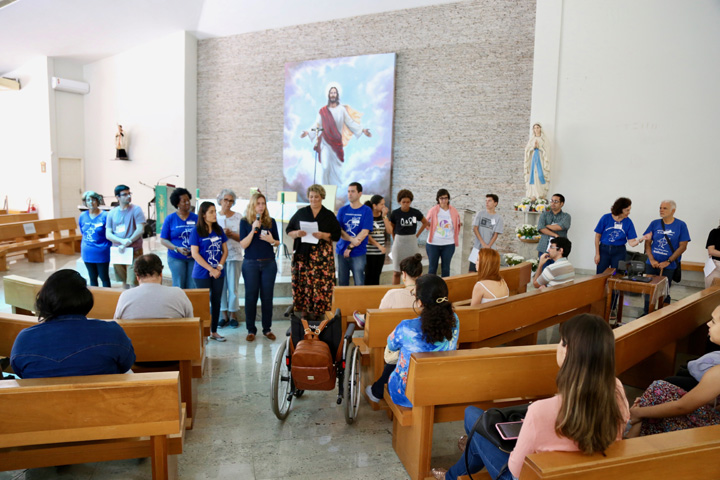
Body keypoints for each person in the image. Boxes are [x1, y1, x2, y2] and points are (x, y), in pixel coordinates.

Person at [432, 313, 629, 480]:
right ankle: (459, 466)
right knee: (478, 436)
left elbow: (516, 470)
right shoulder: (617, 391)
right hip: (592, 473)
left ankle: (456, 469)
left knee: (473, 418)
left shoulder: (542, 411)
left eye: (561, 341)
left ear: (568, 351)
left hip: (528, 476)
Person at [10, 270, 135, 379]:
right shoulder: (112, 332)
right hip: (102, 398)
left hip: (42, 399)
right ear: (85, 299)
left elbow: (20, 371)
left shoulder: (25, 339)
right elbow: (126, 364)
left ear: (43, 300)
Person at [365, 274, 459, 407]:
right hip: (440, 386)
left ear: (420, 302)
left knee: (398, 358)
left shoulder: (406, 327)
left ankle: (377, 391)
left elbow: (391, 346)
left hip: (406, 394)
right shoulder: (454, 320)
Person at [628, 305, 720, 438]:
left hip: (712, 431)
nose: (708, 324)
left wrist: (639, 412)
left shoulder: (717, 372)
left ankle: (633, 434)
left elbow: (682, 407)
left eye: (714, 321)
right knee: (659, 393)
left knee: (659, 389)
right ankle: (636, 424)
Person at [286, 184, 342, 320]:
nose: (313, 199)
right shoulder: (301, 213)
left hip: (322, 256)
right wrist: (297, 233)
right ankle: (304, 312)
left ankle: (319, 311)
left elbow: (337, 235)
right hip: (303, 254)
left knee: (320, 283)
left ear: (322, 197)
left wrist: (324, 235)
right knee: (304, 282)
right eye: (311, 197)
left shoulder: (328, 215)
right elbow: (289, 230)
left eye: (316, 197)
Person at [300, 85, 372, 186]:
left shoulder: (341, 110)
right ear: (328, 95)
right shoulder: (323, 111)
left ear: (337, 95)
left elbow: (350, 122)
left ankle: (334, 191)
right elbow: (317, 124)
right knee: (325, 167)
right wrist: (308, 132)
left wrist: (363, 130)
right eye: (331, 93)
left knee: (336, 172)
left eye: (334, 93)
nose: (333, 95)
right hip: (325, 142)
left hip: (337, 143)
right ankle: (324, 190)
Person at [239, 192, 280, 341]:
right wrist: (253, 230)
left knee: (267, 297)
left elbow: (277, 242)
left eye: (263, 204)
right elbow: (243, 244)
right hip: (251, 264)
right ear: (252, 205)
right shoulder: (244, 222)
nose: (261, 207)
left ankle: (267, 329)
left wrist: (271, 240)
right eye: (258, 204)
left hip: (269, 263)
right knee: (251, 297)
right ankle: (251, 330)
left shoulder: (271, 221)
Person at [643, 200, 691, 312]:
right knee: (648, 290)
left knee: (664, 291)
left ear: (673, 211)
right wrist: (651, 259)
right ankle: (646, 313)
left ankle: (663, 314)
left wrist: (668, 261)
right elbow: (647, 243)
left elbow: (683, 246)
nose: (661, 210)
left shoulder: (681, 225)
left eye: (665, 208)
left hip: (669, 265)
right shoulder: (654, 223)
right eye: (660, 208)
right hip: (652, 263)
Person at [190, 201, 228, 342]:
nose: (214, 214)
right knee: (203, 304)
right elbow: (195, 254)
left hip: (218, 272)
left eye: (215, 211)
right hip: (202, 273)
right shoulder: (196, 231)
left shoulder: (219, 230)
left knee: (216, 301)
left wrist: (219, 267)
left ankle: (214, 331)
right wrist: (211, 269)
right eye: (211, 212)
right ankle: (203, 332)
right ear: (203, 214)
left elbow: (225, 251)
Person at [354, 253, 424, 328]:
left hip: (393, 332)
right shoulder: (428, 293)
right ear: (421, 275)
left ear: (404, 274)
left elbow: (379, 318)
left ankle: (363, 317)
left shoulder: (392, 294)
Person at [113, 254, 193, 320]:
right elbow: (190, 321)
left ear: (137, 277)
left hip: (136, 335)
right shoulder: (178, 294)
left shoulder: (125, 296)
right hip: (172, 335)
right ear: (161, 274)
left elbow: (117, 322)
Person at [105, 184, 146, 289]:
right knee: (123, 281)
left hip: (133, 250)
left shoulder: (136, 209)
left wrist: (129, 241)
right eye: (125, 194)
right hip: (119, 250)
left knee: (133, 282)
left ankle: (135, 299)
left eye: (129, 193)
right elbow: (108, 234)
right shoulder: (112, 213)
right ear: (117, 197)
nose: (128, 196)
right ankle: (126, 298)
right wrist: (121, 241)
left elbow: (140, 229)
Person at [336, 182, 373, 286]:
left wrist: (350, 247)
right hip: (341, 251)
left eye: (353, 191)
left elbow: (365, 232)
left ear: (360, 193)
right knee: (342, 282)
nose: (350, 194)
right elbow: (339, 230)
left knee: (359, 282)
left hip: (358, 252)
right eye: (348, 191)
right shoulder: (342, 210)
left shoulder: (366, 210)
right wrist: (352, 240)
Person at [388, 189, 429, 285]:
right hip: (399, 242)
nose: (406, 204)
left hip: (411, 242)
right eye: (403, 202)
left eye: (408, 202)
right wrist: (394, 238)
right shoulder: (395, 213)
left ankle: (414, 288)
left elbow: (425, 222)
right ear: (399, 202)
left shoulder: (415, 212)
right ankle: (395, 290)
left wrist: (417, 235)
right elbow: (391, 228)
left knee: (414, 269)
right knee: (396, 271)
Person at [160, 187, 197, 289]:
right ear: (177, 204)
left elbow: (202, 237)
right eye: (184, 201)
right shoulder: (170, 219)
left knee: (192, 285)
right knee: (178, 285)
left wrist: (195, 251)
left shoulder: (196, 218)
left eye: (188, 200)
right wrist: (177, 248)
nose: (187, 203)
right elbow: (163, 240)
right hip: (176, 257)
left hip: (193, 258)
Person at [217, 189, 243, 328]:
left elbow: (244, 238)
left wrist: (231, 234)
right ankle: (224, 315)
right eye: (225, 200)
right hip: (218, 257)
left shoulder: (238, 217)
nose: (228, 203)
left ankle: (233, 314)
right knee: (221, 287)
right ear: (220, 200)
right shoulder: (214, 216)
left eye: (231, 200)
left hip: (234, 255)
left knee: (233, 287)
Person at [426, 189, 462, 277]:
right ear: (438, 199)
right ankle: (431, 285)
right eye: (441, 198)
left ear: (448, 199)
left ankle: (444, 285)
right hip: (433, 243)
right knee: (432, 268)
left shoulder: (453, 210)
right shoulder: (433, 210)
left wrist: (458, 224)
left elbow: (457, 223)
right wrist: (432, 228)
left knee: (446, 268)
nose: (444, 200)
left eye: (446, 198)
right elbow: (426, 224)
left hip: (449, 243)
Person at [78, 190, 111, 287]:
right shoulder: (82, 215)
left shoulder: (105, 215)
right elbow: (82, 231)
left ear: (97, 201)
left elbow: (109, 233)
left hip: (102, 252)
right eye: (88, 200)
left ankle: (107, 295)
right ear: (85, 202)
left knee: (104, 277)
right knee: (92, 277)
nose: (91, 202)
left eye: (93, 200)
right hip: (87, 252)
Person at [470, 194, 504, 272]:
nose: (487, 202)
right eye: (486, 201)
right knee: (472, 271)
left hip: (490, 248)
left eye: (489, 201)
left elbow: (495, 234)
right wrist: (483, 244)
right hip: (477, 247)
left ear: (495, 203)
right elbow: (475, 229)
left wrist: (488, 246)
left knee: (488, 271)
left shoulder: (498, 218)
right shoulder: (480, 213)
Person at [536, 193, 571, 263]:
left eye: (556, 201)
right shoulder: (544, 214)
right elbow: (540, 228)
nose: (553, 203)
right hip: (544, 248)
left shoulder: (566, 216)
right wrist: (555, 235)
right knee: (544, 269)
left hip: (559, 251)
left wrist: (546, 226)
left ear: (562, 204)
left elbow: (559, 227)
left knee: (559, 269)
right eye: (551, 201)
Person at [364, 195, 390, 286]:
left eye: (384, 204)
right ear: (374, 206)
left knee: (377, 276)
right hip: (369, 252)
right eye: (382, 204)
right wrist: (378, 246)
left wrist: (385, 216)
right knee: (368, 276)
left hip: (380, 253)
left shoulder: (383, 217)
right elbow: (366, 235)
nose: (384, 206)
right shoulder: (368, 216)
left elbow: (389, 231)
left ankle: (375, 293)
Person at [524, 123, 550, 200]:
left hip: (541, 159)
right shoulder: (531, 140)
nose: (536, 129)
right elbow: (527, 150)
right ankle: (533, 194)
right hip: (533, 160)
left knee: (540, 175)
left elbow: (547, 150)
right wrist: (533, 147)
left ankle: (541, 193)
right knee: (533, 175)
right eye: (534, 128)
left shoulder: (544, 140)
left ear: (540, 128)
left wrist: (540, 148)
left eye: (537, 127)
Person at [706, 223, 720, 288]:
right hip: (715, 266)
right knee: (711, 291)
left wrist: (716, 253)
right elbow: (711, 251)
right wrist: (714, 252)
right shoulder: (714, 232)